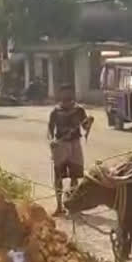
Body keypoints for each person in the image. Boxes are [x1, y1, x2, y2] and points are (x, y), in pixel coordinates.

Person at [48, 84, 92, 216]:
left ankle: (73, 205)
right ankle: (59, 206)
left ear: (71, 94)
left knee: (75, 176)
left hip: (74, 144)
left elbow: (84, 126)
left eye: (68, 92)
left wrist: (89, 122)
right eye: (63, 93)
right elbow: (50, 129)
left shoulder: (79, 110)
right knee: (59, 177)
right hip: (60, 145)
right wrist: (52, 141)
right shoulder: (55, 111)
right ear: (60, 94)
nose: (66, 95)